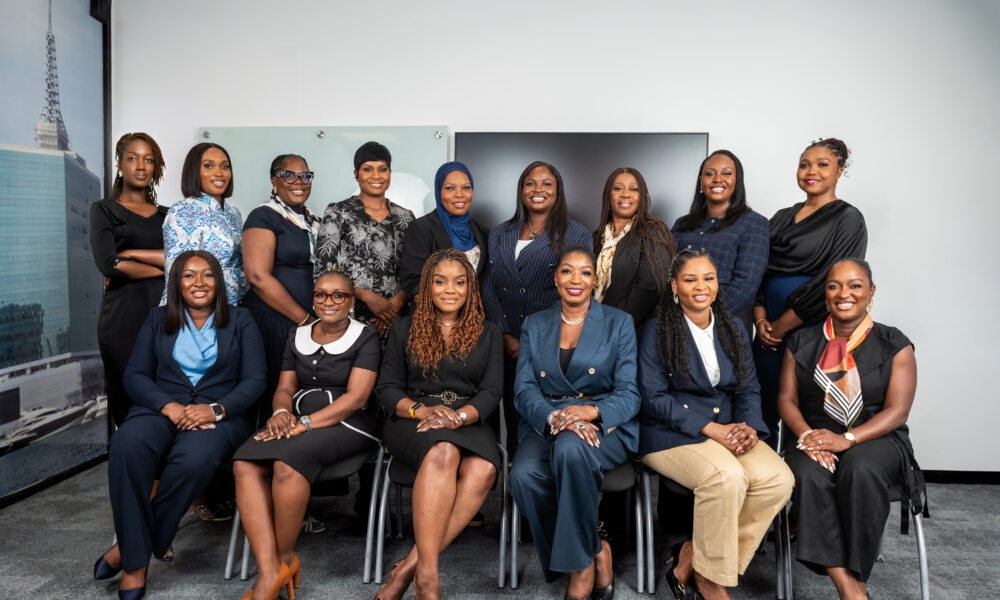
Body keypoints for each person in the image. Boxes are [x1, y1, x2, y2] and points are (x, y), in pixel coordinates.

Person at [93, 251, 265, 600]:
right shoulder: (158, 319)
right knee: (126, 445)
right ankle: (137, 549)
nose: (199, 282)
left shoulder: (242, 320)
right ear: (177, 283)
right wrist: (170, 407)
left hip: (219, 416)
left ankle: (131, 558)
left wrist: (215, 410)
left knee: (195, 459)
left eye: (207, 275)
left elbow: (255, 380)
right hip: (161, 408)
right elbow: (136, 375)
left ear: (218, 281)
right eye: (189, 275)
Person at [637, 248, 793, 600]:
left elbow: (748, 388)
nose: (701, 286)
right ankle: (709, 580)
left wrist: (749, 426)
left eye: (708, 278)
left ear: (717, 283)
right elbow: (653, 398)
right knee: (727, 476)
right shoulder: (657, 329)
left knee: (777, 479)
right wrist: (711, 429)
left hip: (728, 427)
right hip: (670, 434)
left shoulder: (733, 326)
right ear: (674, 286)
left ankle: (692, 558)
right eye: (690, 279)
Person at [778, 258, 922, 600]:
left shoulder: (894, 343)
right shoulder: (801, 342)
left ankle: (856, 581)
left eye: (855, 286)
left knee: (859, 468)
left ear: (871, 292)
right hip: (813, 436)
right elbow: (786, 399)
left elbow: (898, 411)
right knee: (810, 476)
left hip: (877, 437)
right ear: (826, 294)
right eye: (834, 286)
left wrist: (847, 439)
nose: (844, 294)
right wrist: (807, 436)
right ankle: (851, 590)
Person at [232, 270, 381, 600]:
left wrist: (306, 423)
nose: (329, 301)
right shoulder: (297, 334)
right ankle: (271, 568)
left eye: (338, 295)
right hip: (297, 419)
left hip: (350, 423)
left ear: (351, 302)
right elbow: (285, 386)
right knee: (244, 462)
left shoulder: (365, 335)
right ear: (313, 299)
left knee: (286, 464)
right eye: (320, 294)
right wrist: (281, 414)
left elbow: (356, 398)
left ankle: (283, 560)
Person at [508, 245, 639, 600]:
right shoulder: (535, 324)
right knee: (522, 476)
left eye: (584, 272)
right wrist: (555, 417)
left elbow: (630, 393)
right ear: (556, 278)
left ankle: (579, 570)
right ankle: (595, 549)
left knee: (570, 447)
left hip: (603, 424)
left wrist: (590, 412)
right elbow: (524, 389)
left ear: (595, 279)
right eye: (567, 271)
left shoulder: (619, 322)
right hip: (548, 420)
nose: (575, 279)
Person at [374, 249, 502, 600]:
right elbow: (387, 389)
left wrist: (459, 416)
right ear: (427, 286)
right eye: (441, 281)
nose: (450, 290)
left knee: (483, 470)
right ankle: (429, 576)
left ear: (470, 289)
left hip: (467, 418)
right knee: (443, 450)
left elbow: (492, 391)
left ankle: (408, 568)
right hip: (413, 419)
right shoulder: (404, 328)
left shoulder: (489, 332)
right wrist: (421, 411)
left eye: (460, 282)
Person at [754, 138, 867, 443]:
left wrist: (781, 326)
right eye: (804, 165)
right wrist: (760, 319)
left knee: (805, 409)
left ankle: (803, 471)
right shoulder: (780, 217)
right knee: (761, 407)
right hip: (767, 333)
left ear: (838, 172)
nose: (811, 171)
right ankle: (765, 471)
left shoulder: (848, 218)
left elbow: (832, 283)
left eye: (822, 165)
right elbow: (759, 270)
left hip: (812, 331)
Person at [482, 161, 592, 454]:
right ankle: (514, 479)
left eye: (546, 183)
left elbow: (576, 291)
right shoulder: (500, 232)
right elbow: (488, 286)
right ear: (521, 190)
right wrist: (506, 335)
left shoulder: (576, 234)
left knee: (548, 426)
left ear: (558, 190)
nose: (538, 189)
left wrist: (533, 341)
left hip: (552, 345)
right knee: (514, 422)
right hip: (505, 345)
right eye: (530, 183)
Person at [91, 132, 169, 427]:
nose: (141, 165)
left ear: (155, 167)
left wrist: (132, 255)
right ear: (120, 165)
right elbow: (109, 265)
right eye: (133, 158)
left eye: (148, 160)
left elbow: (185, 261)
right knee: (127, 403)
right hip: (122, 321)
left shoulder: (169, 216)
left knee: (167, 398)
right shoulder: (104, 210)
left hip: (166, 318)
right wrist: (167, 268)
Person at [242, 154, 320, 421]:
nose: (299, 182)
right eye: (289, 175)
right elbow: (257, 277)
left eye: (305, 176)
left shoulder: (312, 220)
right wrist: (305, 320)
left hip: (306, 324)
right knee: (273, 394)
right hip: (275, 322)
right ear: (274, 180)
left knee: (301, 396)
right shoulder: (264, 216)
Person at [315, 141, 414, 339]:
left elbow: (414, 269)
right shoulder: (339, 212)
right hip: (351, 317)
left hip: (398, 318)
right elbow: (323, 270)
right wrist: (367, 297)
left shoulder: (405, 216)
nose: (376, 176)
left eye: (382, 169)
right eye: (368, 169)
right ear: (356, 173)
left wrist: (394, 307)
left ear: (390, 173)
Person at [672, 150, 769, 335]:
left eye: (726, 173)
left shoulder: (755, 223)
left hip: (727, 325)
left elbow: (745, 285)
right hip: (677, 321)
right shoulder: (681, 224)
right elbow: (668, 273)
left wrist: (701, 317)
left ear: (737, 181)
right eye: (710, 174)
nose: (718, 179)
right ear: (701, 181)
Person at [162, 143, 247, 306]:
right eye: (208, 166)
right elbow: (178, 271)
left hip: (237, 304)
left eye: (225, 167)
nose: (219, 173)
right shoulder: (183, 210)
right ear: (194, 171)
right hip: (202, 306)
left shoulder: (234, 213)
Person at [592, 167, 676, 332]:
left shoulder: (653, 232)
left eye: (634, 189)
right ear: (608, 195)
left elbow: (651, 286)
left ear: (641, 196)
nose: (626, 194)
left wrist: (614, 324)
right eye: (618, 188)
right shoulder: (597, 238)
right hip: (594, 326)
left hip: (631, 331)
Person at [399, 161, 489, 304]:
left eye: (466, 187)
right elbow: (413, 282)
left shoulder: (483, 232)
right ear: (439, 191)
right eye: (450, 188)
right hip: (435, 315)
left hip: (476, 315)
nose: (460, 194)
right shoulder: (421, 228)